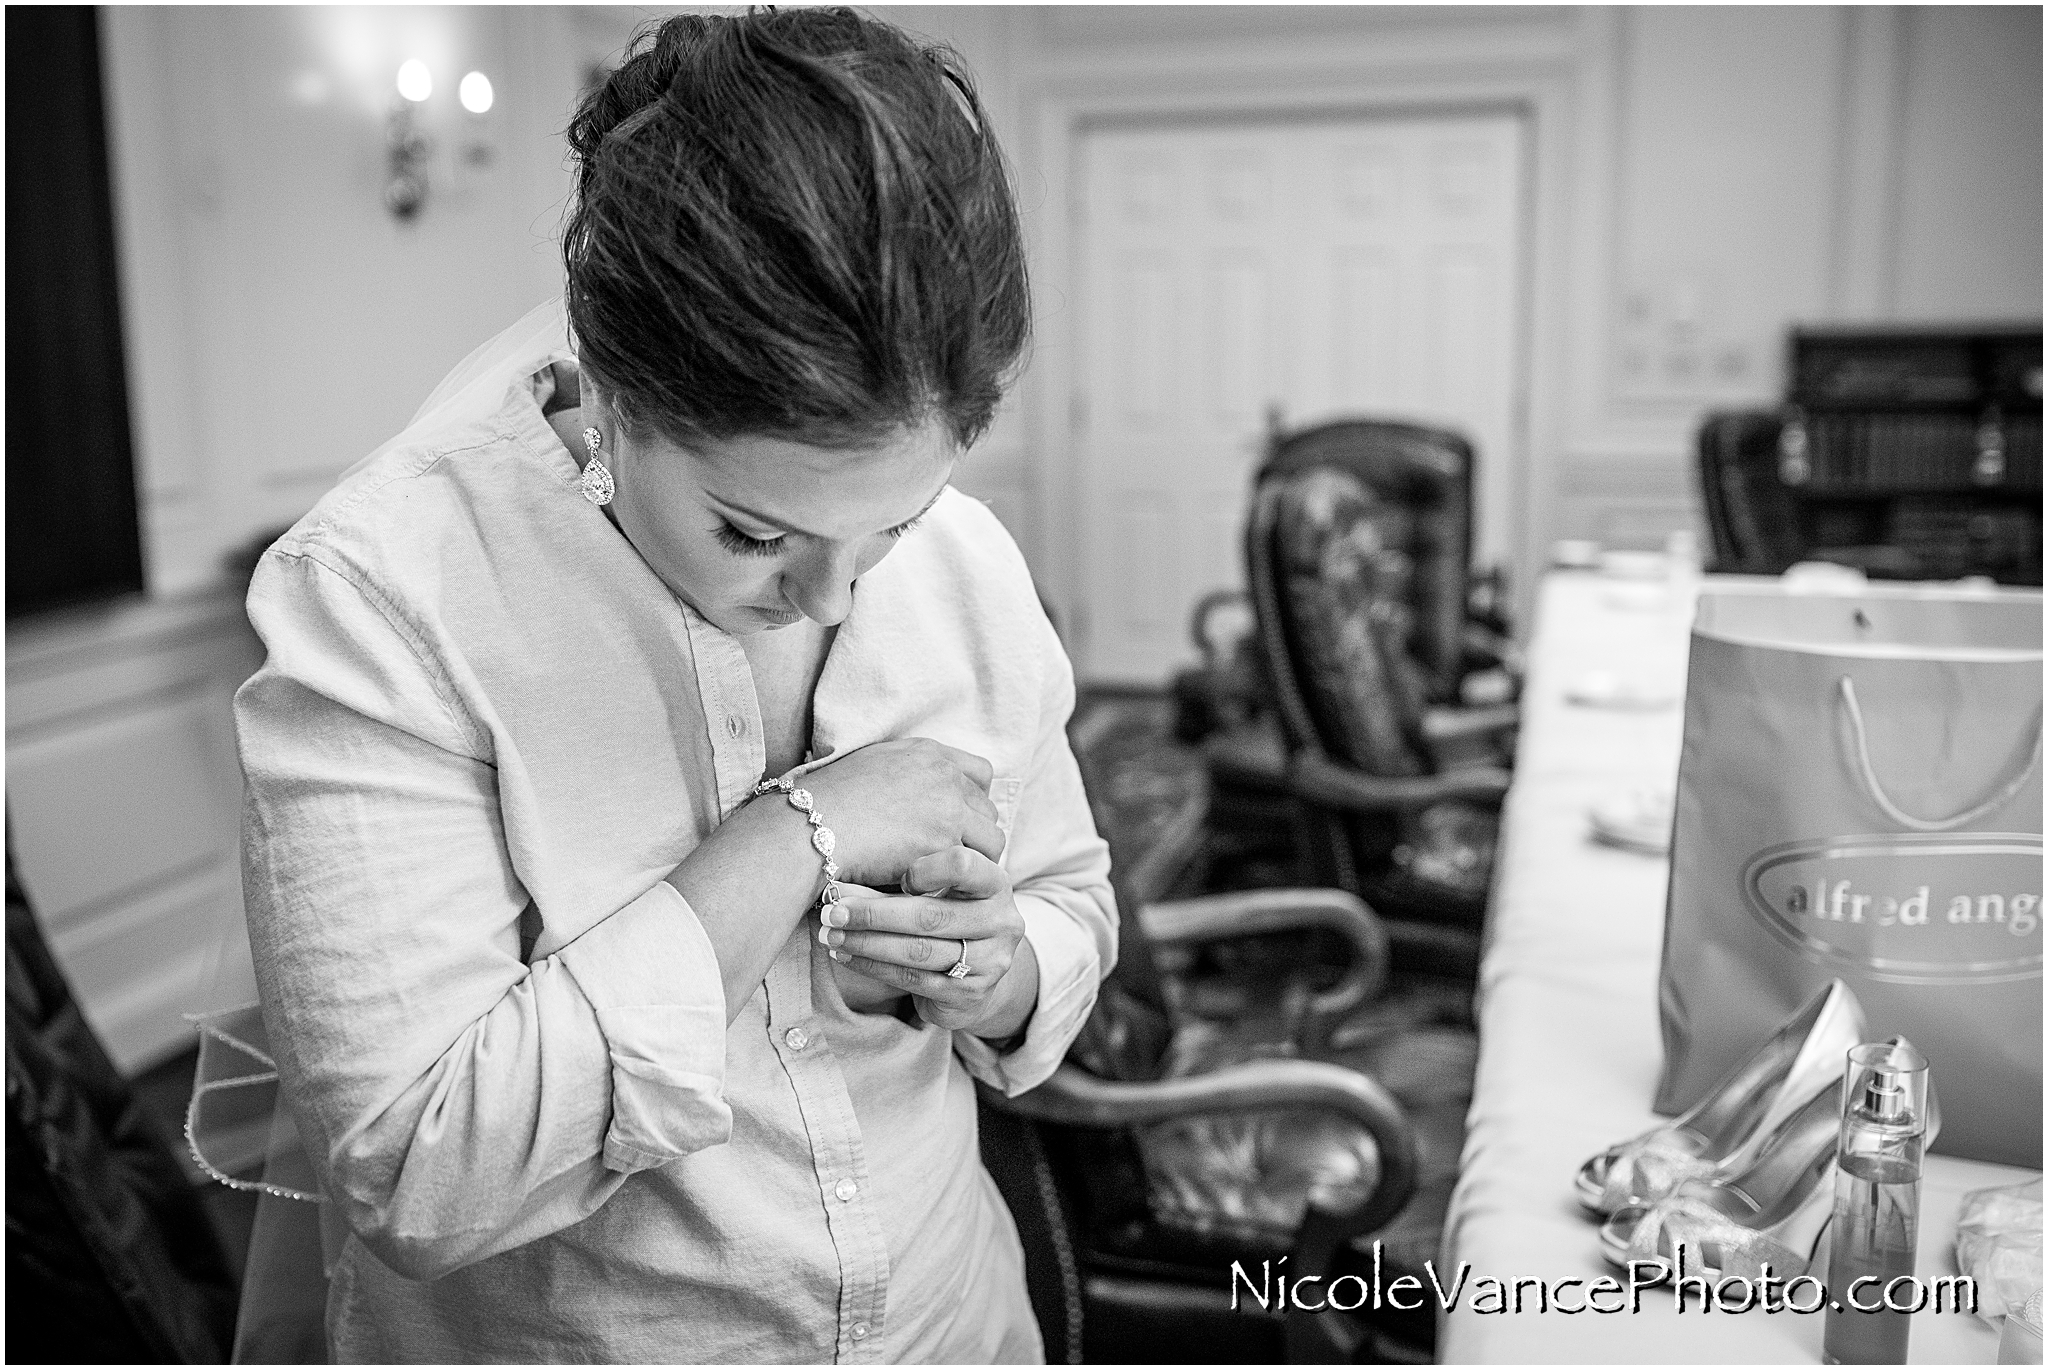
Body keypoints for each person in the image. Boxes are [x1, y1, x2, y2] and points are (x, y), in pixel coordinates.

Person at [229, 9, 1115, 1361]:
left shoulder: (969, 564)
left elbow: (1071, 897)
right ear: (617, 391)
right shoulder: (388, 600)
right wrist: (794, 837)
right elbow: (416, 1165)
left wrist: (1000, 972)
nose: (836, 595)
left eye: (888, 526)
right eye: (757, 533)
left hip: (955, 1319)